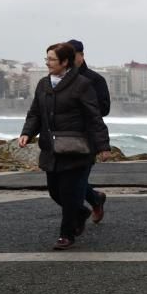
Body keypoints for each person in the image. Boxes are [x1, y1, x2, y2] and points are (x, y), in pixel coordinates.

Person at [18, 42, 110, 250]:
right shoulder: (43, 84)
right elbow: (35, 113)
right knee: (55, 192)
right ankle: (82, 212)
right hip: (52, 149)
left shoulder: (82, 84)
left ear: (65, 62)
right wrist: (27, 133)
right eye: (47, 59)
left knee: (69, 194)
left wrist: (103, 145)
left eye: (51, 59)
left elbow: (94, 116)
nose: (47, 63)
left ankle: (66, 235)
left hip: (77, 149)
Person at [67, 38, 109, 223]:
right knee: (68, 179)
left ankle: (71, 226)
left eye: (72, 55)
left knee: (77, 178)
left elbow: (104, 109)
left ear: (81, 56)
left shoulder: (95, 80)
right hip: (64, 136)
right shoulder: (60, 79)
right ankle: (95, 198)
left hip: (87, 137)